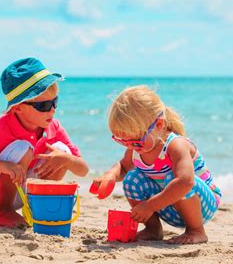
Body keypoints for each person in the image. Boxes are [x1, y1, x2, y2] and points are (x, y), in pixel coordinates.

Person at [0, 57, 89, 228]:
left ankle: (39, 209)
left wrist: (66, 160)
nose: (52, 110)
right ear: (18, 107)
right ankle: (3, 212)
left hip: (24, 189)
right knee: (23, 147)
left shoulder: (53, 127)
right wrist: (0, 165)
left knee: (61, 150)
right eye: (43, 106)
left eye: (55, 102)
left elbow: (83, 170)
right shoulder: (1, 127)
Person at [90, 85, 221, 244]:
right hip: (170, 205)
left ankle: (197, 231)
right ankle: (153, 229)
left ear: (159, 125)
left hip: (201, 206)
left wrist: (150, 206)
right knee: (132, 178)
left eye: (136, 141)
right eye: (123, 141)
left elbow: (186, 182)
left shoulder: (176, 146)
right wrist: (109, 177)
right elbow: (124, 166)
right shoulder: (137, 148)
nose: (131, 146)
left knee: (174, 177)